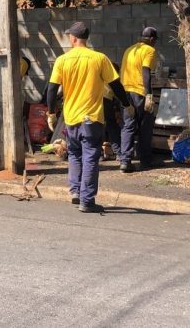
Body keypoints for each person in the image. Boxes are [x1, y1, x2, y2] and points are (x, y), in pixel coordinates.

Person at [45, 22, 132, 213]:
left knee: (75, 154)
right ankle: (87, 200)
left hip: (71, 118)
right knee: (91, 156)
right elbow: (116, 85)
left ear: (73, 38)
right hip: (92, 118)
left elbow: (51, 90)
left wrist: (51, 112)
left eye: (69, 36)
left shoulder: (62, 60)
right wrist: (126, 104)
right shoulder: (99, 59)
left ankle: (76, 191)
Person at [118, 27, 160, 172]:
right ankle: (145, 160)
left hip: (125, 93)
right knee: (145, 127)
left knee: (128, 126)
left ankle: (125, 161)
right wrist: (148, 94)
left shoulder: (129, 49)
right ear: (152, 39)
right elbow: (145, 71)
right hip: (140, 93)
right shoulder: (149, 50)